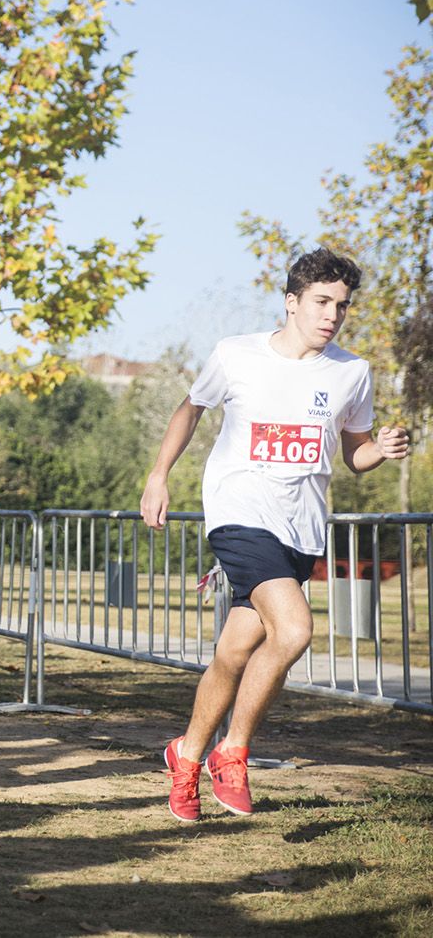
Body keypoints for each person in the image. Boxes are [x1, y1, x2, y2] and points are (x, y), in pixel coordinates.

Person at [143, 248, 410, 822]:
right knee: (293, 631)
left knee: (236, 651)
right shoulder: (235, 354)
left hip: (301, 528)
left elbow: (353, 453)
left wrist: (380, 452)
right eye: (320, 302)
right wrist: (158, 476)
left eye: (341, 305)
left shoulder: (351, 371)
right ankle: (231, 754)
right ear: (291, 302)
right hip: (239, 512)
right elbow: (190, 409)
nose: (332, 315)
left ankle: (185, 757)